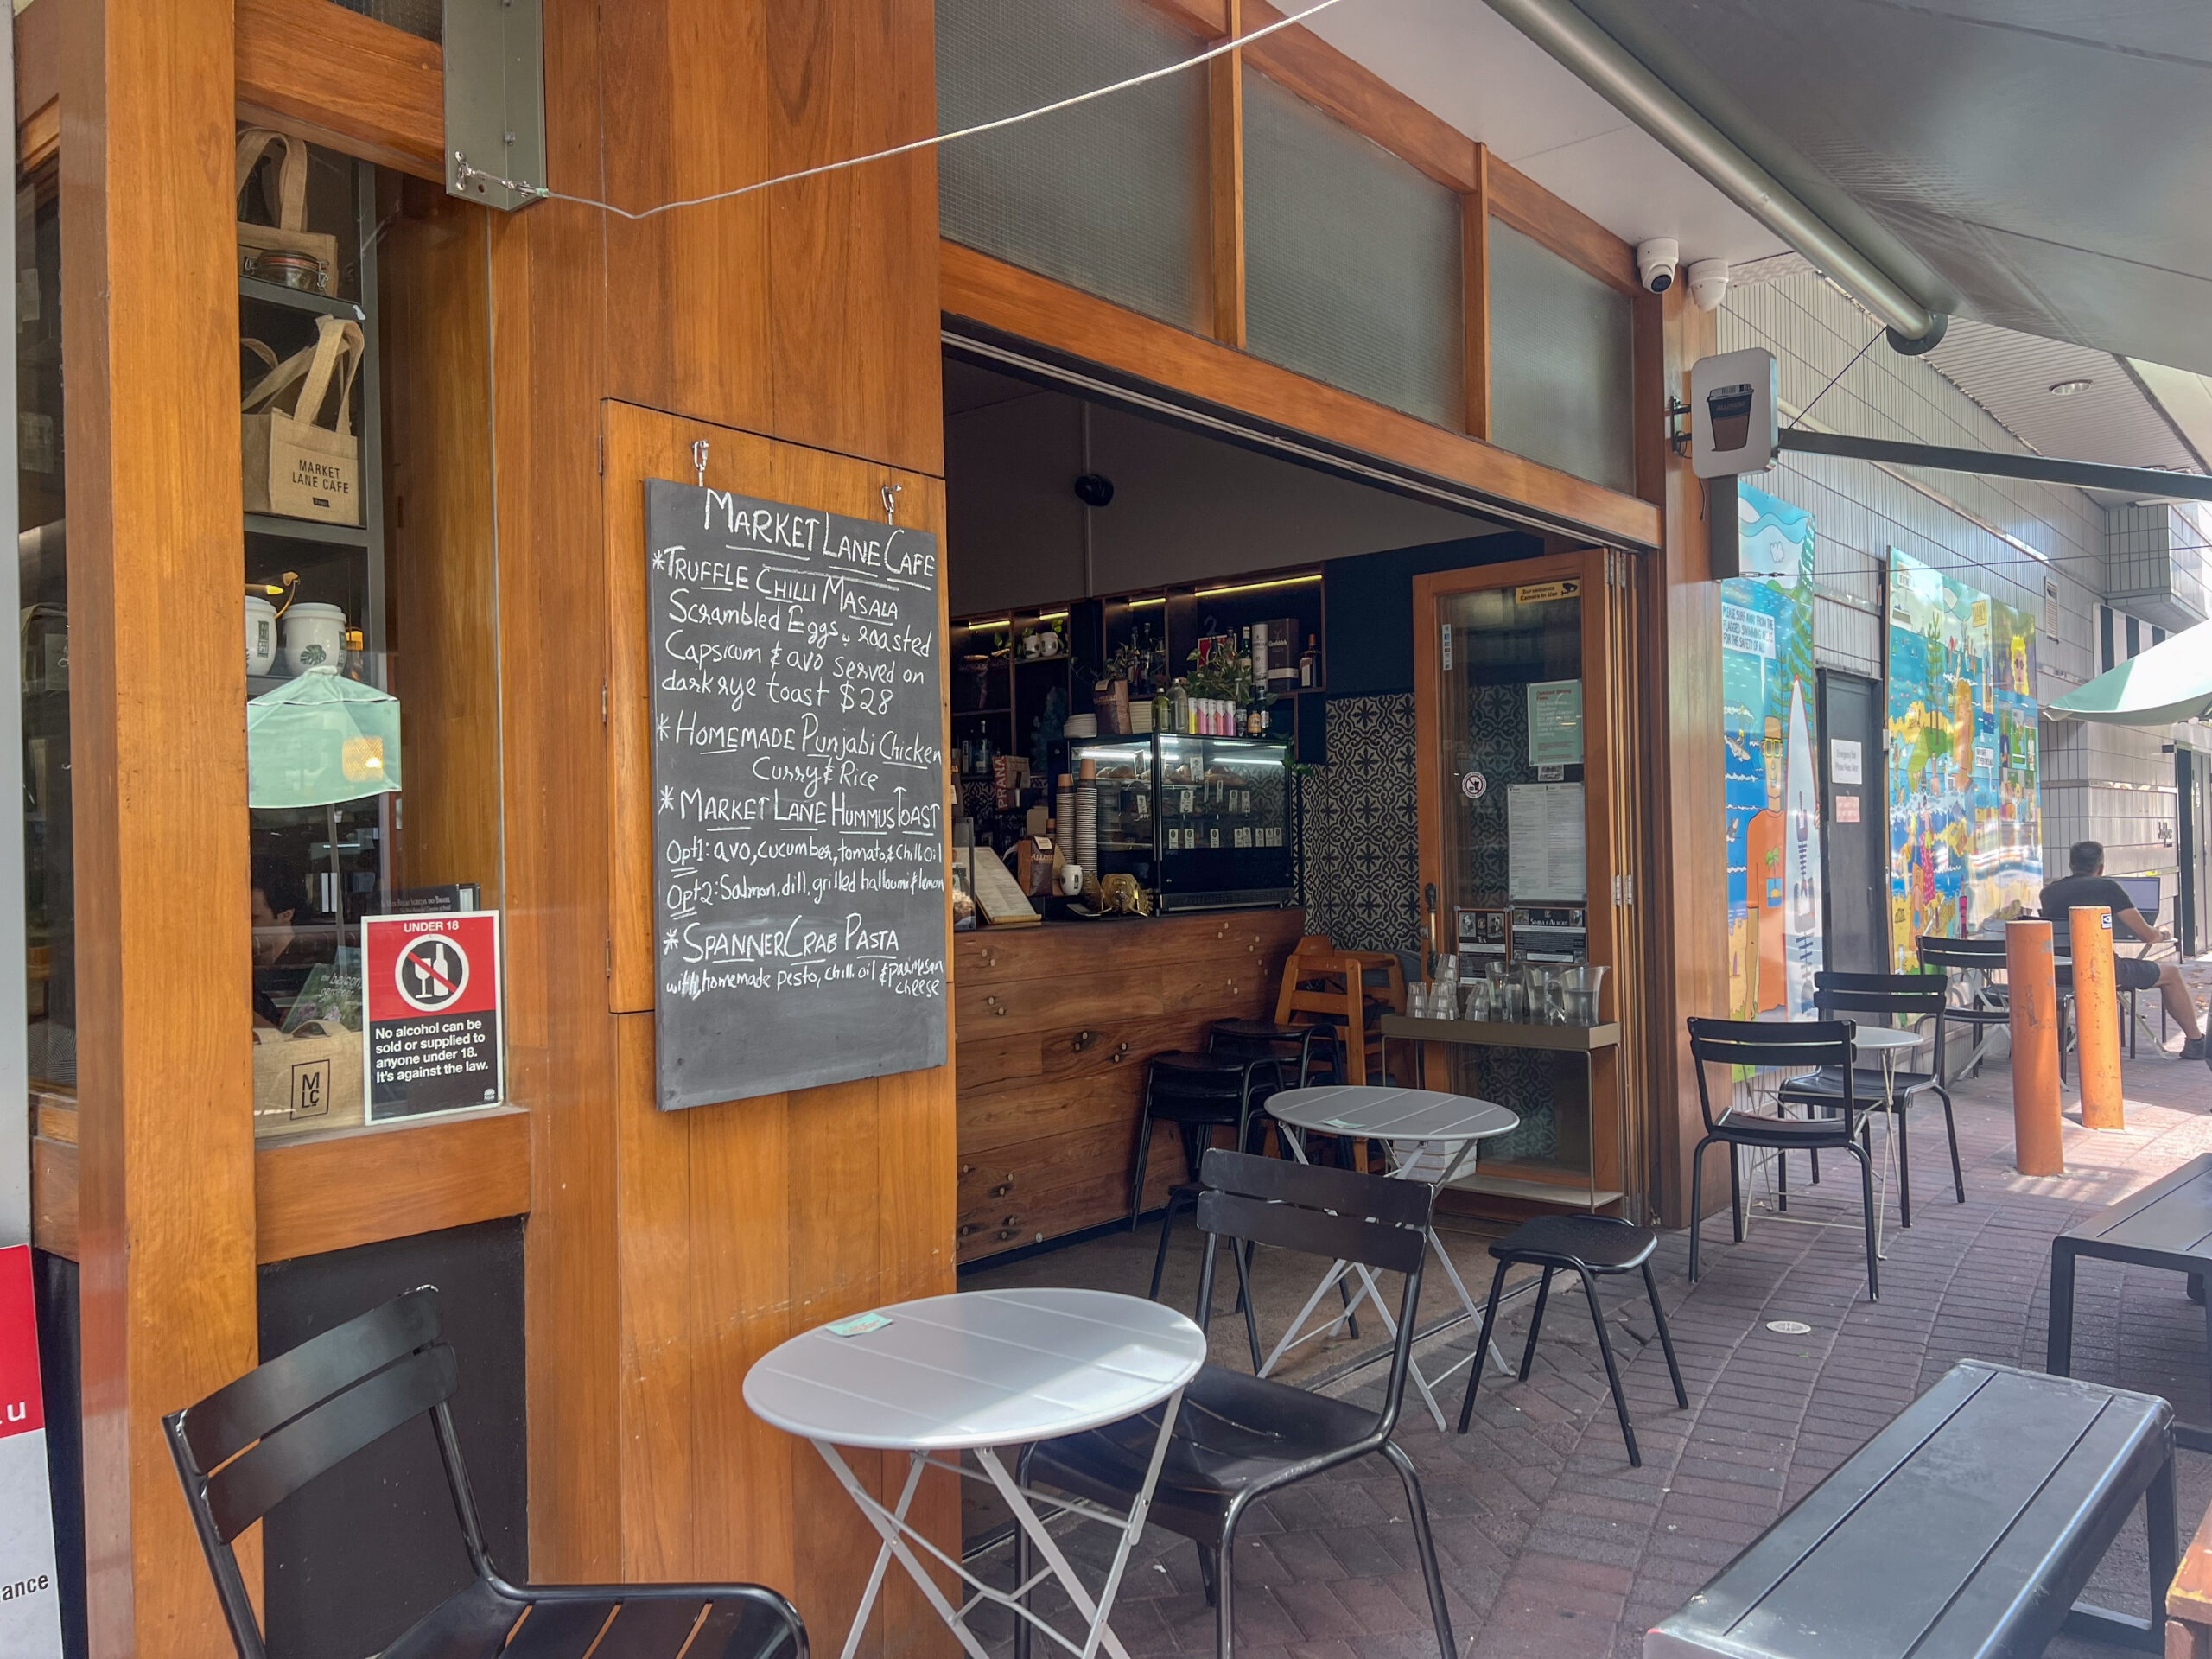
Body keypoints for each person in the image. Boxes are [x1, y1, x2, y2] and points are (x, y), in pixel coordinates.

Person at [2040, 840, 2204, 1059]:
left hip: (2059, 971)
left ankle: (2062, 1037)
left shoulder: (2049, 892)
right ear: (2101, 868)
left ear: (2071, 865)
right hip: (2100, 970)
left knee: (2068, 981)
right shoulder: (2107, 888)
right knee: (2171, 974)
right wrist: (2162, 933)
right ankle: (2195, 1041)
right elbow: (2146, 935)